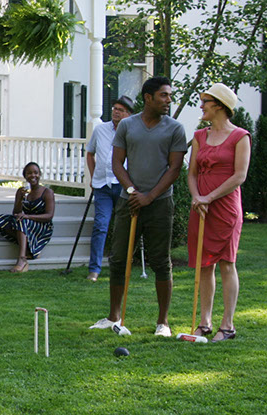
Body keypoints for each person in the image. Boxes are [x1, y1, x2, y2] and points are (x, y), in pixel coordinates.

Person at [89, 76, 187, 337]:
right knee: (119, 258)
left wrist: (149, 196)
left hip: (160, 203)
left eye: (169, 95)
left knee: (160, 261)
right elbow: (117, 163)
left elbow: (174, 168)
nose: (168, 100)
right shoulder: (127, 126)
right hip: (128, 201)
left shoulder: (175, 128)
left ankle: (163, 323)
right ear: (148, 97)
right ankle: (113, 317)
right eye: (164, 95)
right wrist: (133, 192)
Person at [187, 83, 250, 342]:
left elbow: (239, 175)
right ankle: (204, 322)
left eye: (205, 101)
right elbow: (191, 173)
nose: (200, 105)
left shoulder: (240, 137)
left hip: (224, 208)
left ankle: (228, 325)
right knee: (204, 265)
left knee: (226, 263)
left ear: (220, 106)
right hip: (200, 207)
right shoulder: (199, 136)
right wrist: (196, 197)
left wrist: (209, 197)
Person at [85, 96, 134, 282]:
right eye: (114, 108)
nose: (116, 111)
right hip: (102, 186)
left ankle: (121, 266)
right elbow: (90, 153)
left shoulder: (132, 132)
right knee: (100, 226)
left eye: (120, 109)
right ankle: (94, 269)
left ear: (128, 113)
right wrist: (92, 175)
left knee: (123, 227)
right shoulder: (100, 130)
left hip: (122, 185)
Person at [0, 162, 54, 273]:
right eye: (29, 173)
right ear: (25, 176)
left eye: (36, 173)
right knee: (2, 220)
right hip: (25, 224)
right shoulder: (22, 191)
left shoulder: (47, 192)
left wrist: (27, 216)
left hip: (42, 226)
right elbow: (16, 212)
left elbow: (49, 216)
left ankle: (22, 260)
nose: (33, 175)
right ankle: (29, 249)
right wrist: (19, 199)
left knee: (22, 221)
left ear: (40, 174)